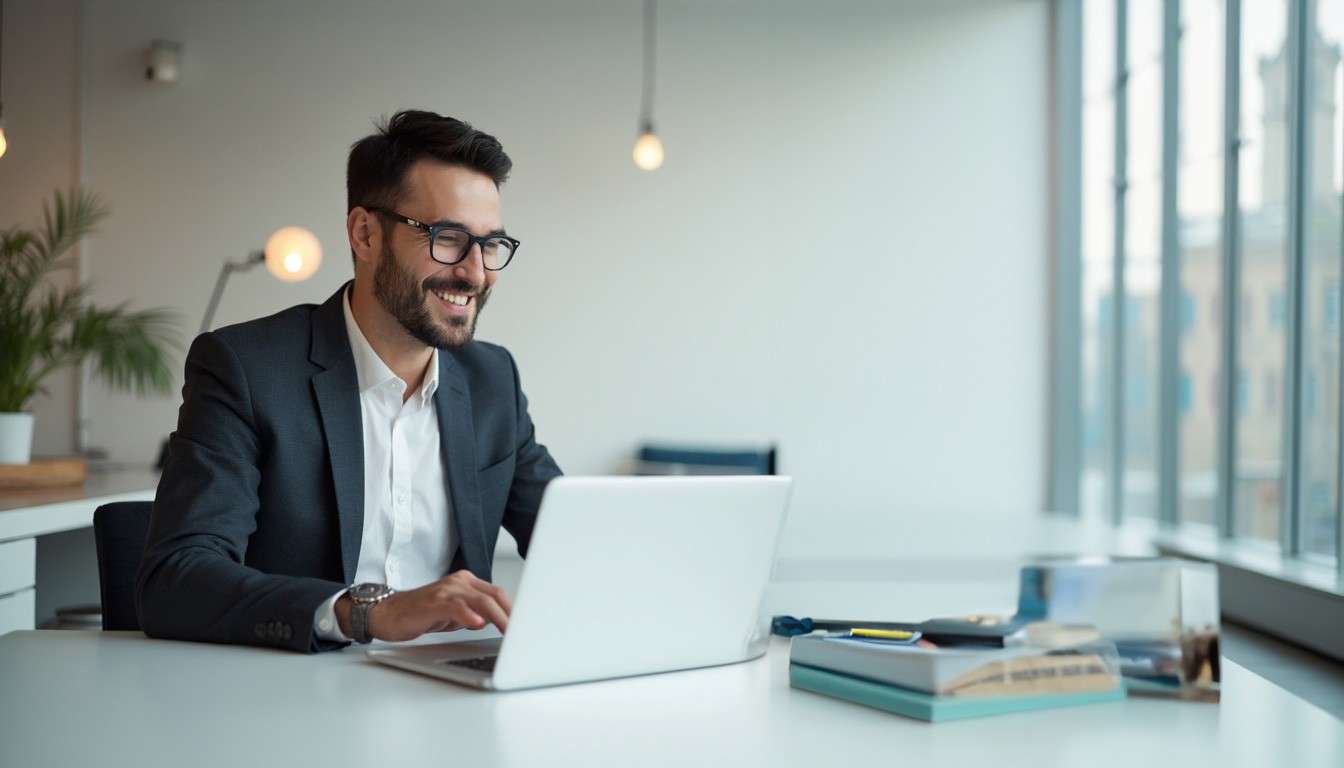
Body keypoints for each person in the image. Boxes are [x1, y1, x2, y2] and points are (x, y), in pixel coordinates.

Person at [137, 110, 562, 652]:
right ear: (365, 234)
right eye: (449, 238)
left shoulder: (492, 380)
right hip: (292, 698)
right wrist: (367, 613)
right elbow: (175, 579)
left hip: (451, 698)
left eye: (491, 244)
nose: (476, 272)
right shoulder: (245, 368)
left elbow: (578, 537)